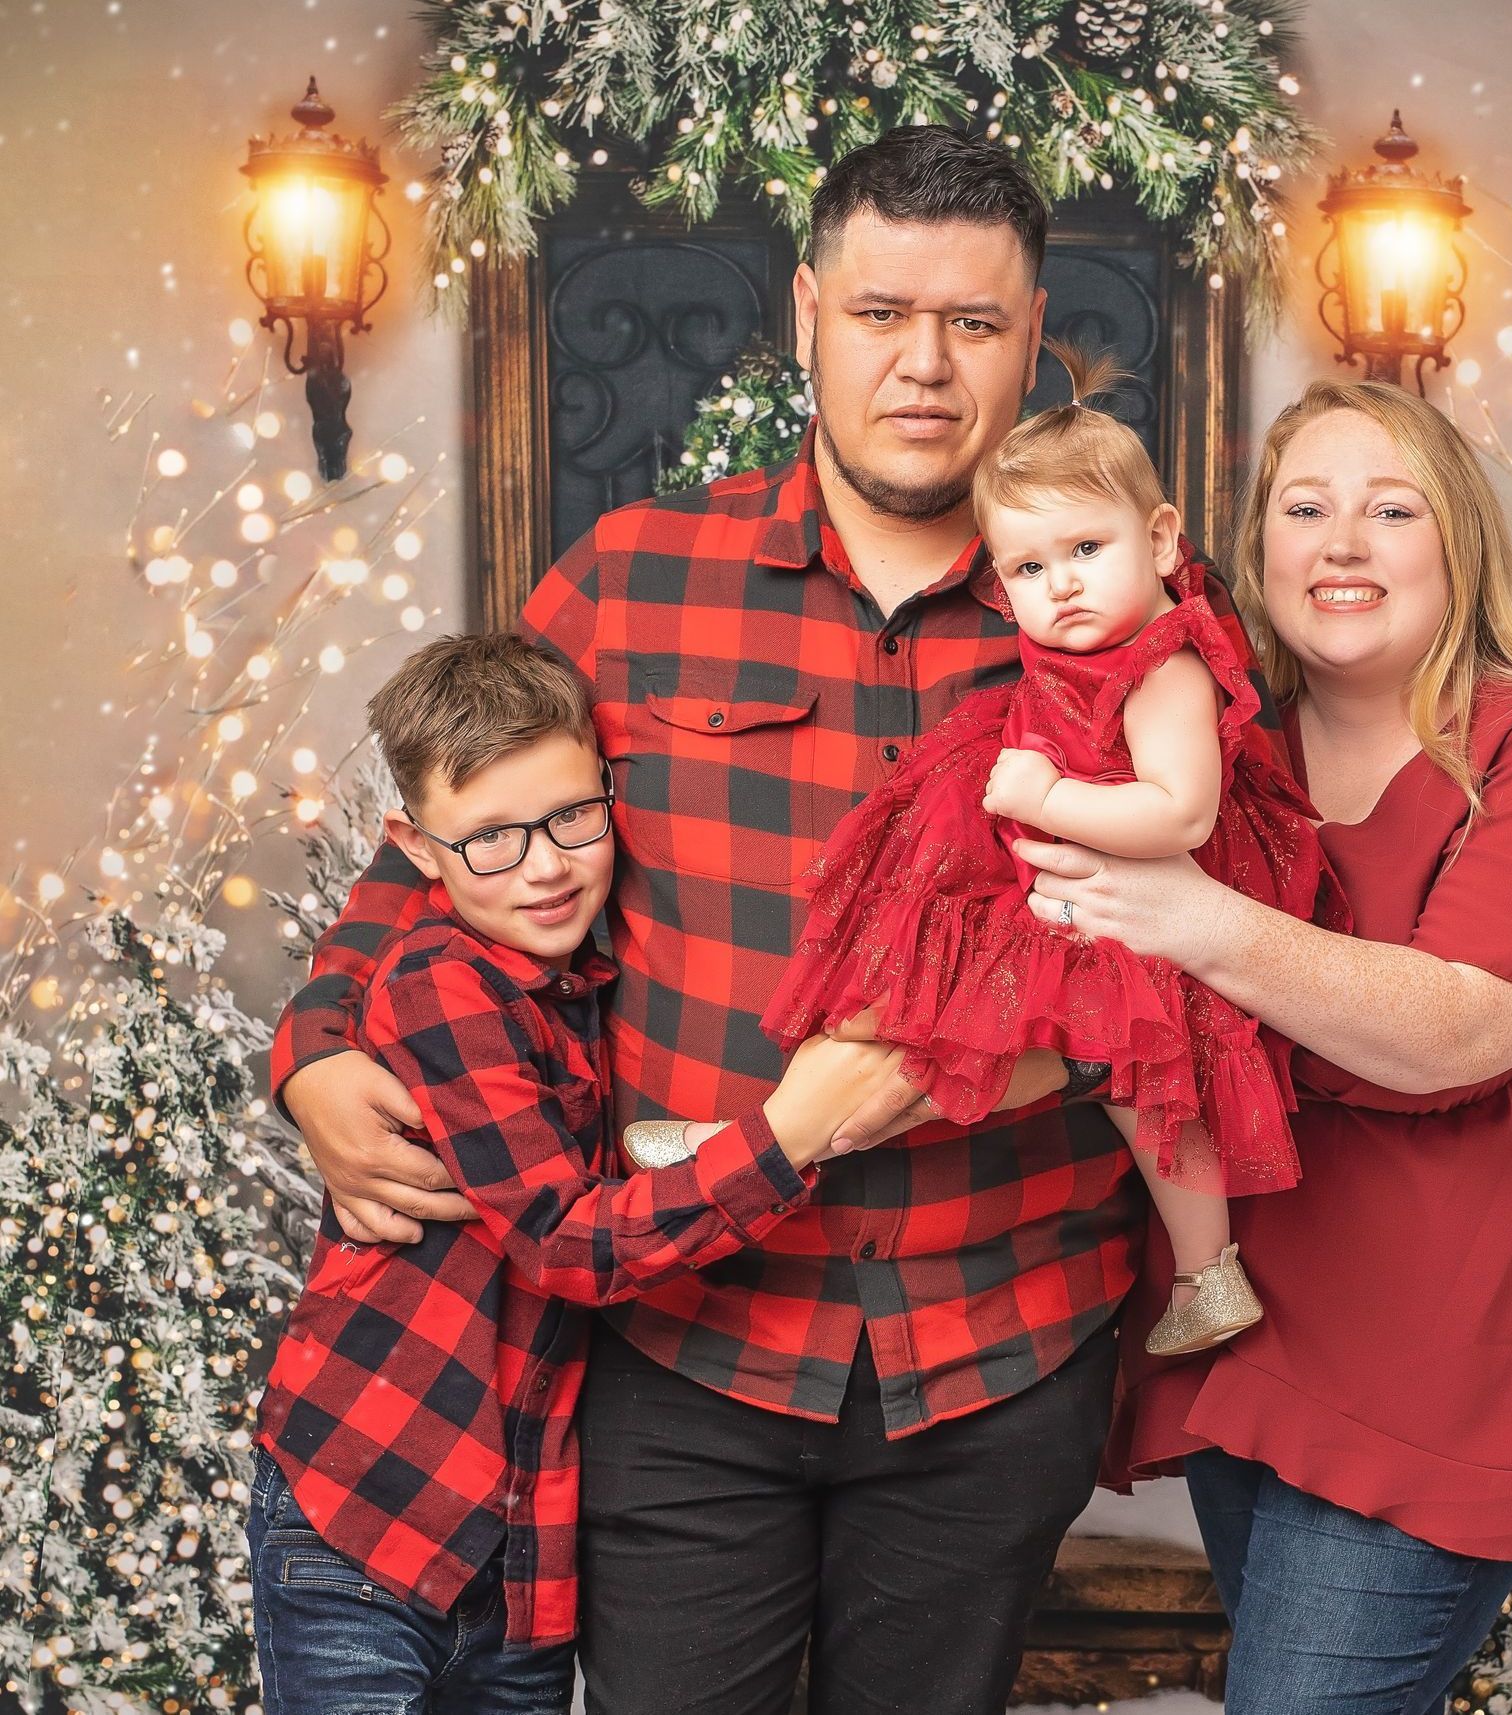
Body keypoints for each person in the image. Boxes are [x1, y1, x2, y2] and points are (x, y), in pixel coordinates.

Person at [268, 127, 1260, 1715]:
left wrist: (1037, 1058)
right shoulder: (633, 580)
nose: (923, 364)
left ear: (1033, 335)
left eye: (973, 322)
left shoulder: (1118, 611)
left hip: (999, 1337)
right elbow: (443, 857)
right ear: (807, 313)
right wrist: (318, 1053)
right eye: (880, 314)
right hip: (688, 1342)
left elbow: (1227, 929)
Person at [1014, 379, 1512, 1715]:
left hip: (1451, 1366)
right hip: (1253, 1332)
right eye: (1306, 508)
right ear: (1252, 545)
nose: (1342, 543)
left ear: (1458, 543)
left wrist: (1190, 914)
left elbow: (1451, 1028)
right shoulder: (1212, 757)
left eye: (1392, 511)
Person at [248, 634, 911, 1714]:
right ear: (416, 848)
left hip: (519, 1562)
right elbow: (568, 1242)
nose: (545, 865)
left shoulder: (583, 986)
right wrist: (788, 1133)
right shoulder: (440, 984)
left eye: (571, 817)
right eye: (491, 839)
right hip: (369, 1515)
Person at [763, 339, 1344, 1357]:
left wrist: (1048, 794)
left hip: (1152, 901)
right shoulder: (1089, 647)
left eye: (1086, 550)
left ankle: (1209, 1269)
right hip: (1069, 880)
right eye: (1030, 568)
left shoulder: (1166, 665)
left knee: (1141, 1085)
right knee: (908, 972)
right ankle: (766, 1134)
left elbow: (1182, 814)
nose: (1061, 585)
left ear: (1160, 540)